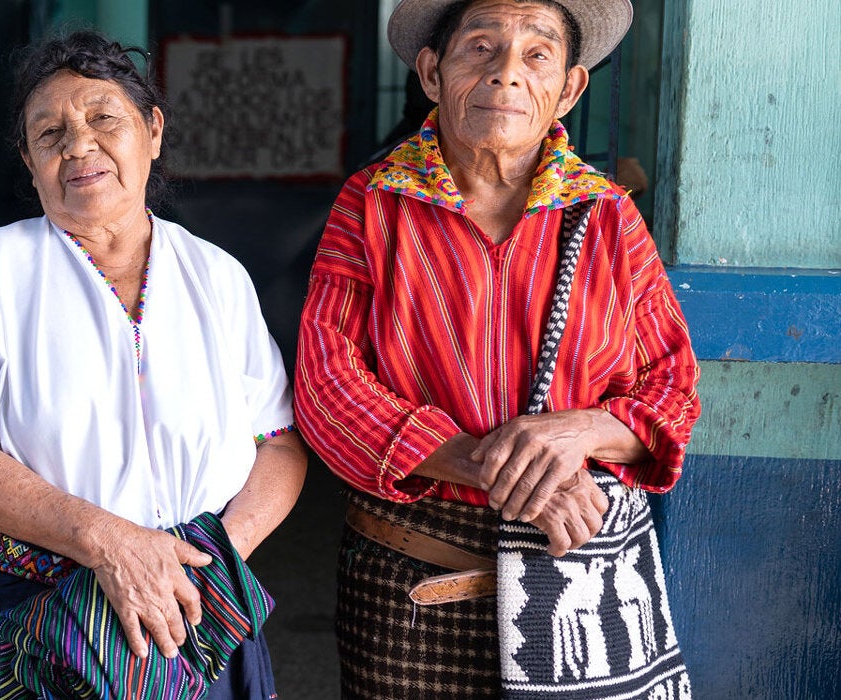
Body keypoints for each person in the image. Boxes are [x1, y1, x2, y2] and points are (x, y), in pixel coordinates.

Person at [292, 1, 700, 697]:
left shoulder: (607, 216)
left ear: (569, 88)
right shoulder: (372, 205)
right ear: (432, 72)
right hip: (410, 583)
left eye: (536, 55)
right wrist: (498, 471)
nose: (506, 73)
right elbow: (327, 388)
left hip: (575, 573)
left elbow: (674, 388)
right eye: (479, 48)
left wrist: (583, 430)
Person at [0, 30, 308, 699]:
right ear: (30, 164)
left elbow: (279, 443)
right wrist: (111, 543)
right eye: (50, 133)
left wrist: (202, 564)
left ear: (152, 130)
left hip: (197, 606)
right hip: (48, 619)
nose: (78, 146)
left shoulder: (215, 274)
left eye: (103, 119)